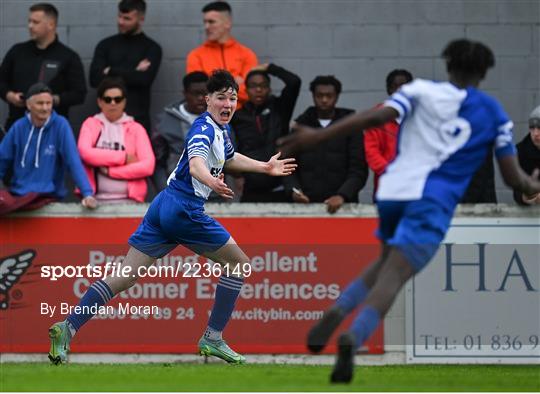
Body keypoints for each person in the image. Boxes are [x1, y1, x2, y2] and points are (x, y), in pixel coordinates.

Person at [277, 39, 540, 383]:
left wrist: (318, 137)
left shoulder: (420, 91)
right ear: (484, 72)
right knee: (396, 275)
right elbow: (512, 177)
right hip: (432, 199)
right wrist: (533, 183)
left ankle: (339, 309)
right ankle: (353, 337)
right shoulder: (493, 113)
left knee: (385, 261)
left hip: (394, 189)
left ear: (448, 66)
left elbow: (377, 115)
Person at [47, 70, 296, 366]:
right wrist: (212, 181)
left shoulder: (220, 130)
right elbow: (196, 164)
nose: (228, 103)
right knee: (239, 264)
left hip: (163, 205)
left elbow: (229, 157)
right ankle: (213, 337)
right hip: (184, 209)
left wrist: (264, 167)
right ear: (208, 100)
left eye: (232, 97)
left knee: (124, 276)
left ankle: (67, 328)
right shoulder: (202, 129)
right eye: (221, 98)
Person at [0, 83, 97, 215]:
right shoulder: (18, 127)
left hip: (48, 197)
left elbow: (73, 160)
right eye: (40, 103)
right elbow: (2, 159)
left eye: (48, 103)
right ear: (29, 105)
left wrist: (87, 193)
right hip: (19, 195)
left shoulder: (61, 125)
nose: (45, 108)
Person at [286, 75, 367, 213]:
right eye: (320, 95)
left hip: (343, 207)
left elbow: (359, 169)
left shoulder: (351, 126)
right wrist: (294, 191)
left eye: (329, 96)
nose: (324, 100)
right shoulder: (300, 126)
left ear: (337, 96)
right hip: (306, 205)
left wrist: (342, 195)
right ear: (313, 96)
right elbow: (287, 166)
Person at [0, 3, 86, 130]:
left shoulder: (68, 57)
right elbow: (1, 81)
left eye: (36, 22)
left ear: (51, 24)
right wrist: (10, 96)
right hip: (18, 125)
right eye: (29, 21)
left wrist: (49, 100)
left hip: (52, 128)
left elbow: (79, 93)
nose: (30, 26)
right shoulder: (17, 51)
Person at [89, 0, 162, 134]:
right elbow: (94, 79)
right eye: (120, 16)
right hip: (106, 121)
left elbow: (144, 80)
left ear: (141, 19)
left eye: (127, 18)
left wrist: (110, 71)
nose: (121, 22)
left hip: (137, 121)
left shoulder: (151, 48)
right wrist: (134, 71)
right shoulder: (105, 45)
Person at [231, 63, 301, 202]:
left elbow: (294, 82)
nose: (258, 90)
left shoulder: (280, 109)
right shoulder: (237, 117)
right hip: (251, 189)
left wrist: (270, 68)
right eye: (253, 86)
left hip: (280, 188)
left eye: (263, 86)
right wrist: (236, 175)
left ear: (269, 89)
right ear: (246, 89)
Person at [77, 78, 155, 203]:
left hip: (130, 202)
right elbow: (85, 153)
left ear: (124, 102)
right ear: (100, 102)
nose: (113, 103)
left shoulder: (136, 129)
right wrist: (123, 158)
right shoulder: (90, 124)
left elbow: (148, 166)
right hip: (93, 201)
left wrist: (111, 171)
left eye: (117, 99)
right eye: (108, 99)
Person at [186, 1, 258, 108]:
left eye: (211, 22)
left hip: (241, 117)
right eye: (205, 22)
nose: (206, 26)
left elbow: (251, 93)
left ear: (227, 23)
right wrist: (235, 82)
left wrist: (215, 85)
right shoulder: (196, 55)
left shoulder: (247, 55)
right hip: (210, 116)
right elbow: (199, 91)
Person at [151, 71, 208, 192]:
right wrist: (165, 191)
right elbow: (157, 163)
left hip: (213, 195)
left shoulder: (220, 119)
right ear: (185, 94)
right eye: (195, 94)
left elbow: (229, 159)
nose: (200, 98)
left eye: (204, 94)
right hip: (178, 192)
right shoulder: (165, 121)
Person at [364, 69, 412, 198]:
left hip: (415, 188)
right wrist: (392, 173)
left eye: (404, 87)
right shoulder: (376, 117)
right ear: (388, 90)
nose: (399, 91)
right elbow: (371, 152)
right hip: (386, 189)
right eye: (395, 87)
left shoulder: (420, 116)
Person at [514, 105, 540, 205]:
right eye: (532, 128)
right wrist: (526, 197)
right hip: (530, 215)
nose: (536, 133)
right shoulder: (521, 151)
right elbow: (517, 190)